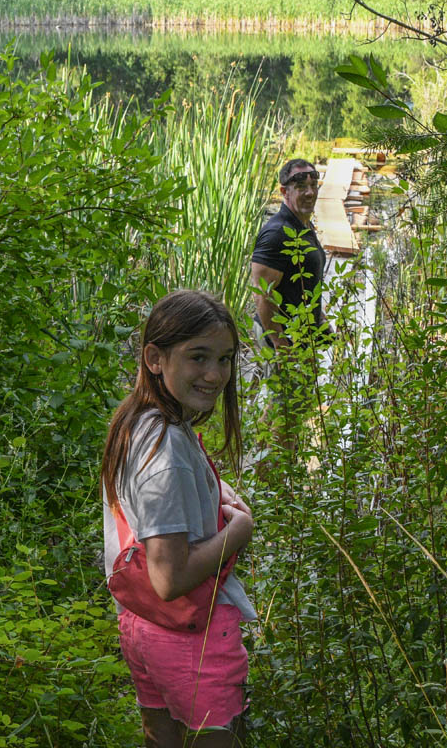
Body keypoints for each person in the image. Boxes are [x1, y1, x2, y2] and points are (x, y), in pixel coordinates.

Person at [100, 290, 256, 748]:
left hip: (142, 624)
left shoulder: (140, 420)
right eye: (198, 357)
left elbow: (152, 506)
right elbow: (169, 577)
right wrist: (239, 531)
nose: (216, 375)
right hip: (190, 637)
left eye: (225, 359)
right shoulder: (164, 451)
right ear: (154, 357)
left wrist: (212, 491)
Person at [250, 158, 330, 354]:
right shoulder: (277, 233)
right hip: (282, 337)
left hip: (300, 333)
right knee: (281, 386)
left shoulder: (302, 226)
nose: (310, 192)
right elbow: (262, 294)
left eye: (313, 185)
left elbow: (300, 283)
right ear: (284, 191)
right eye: (301, 187)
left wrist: (318, 316)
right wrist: (280, 344)